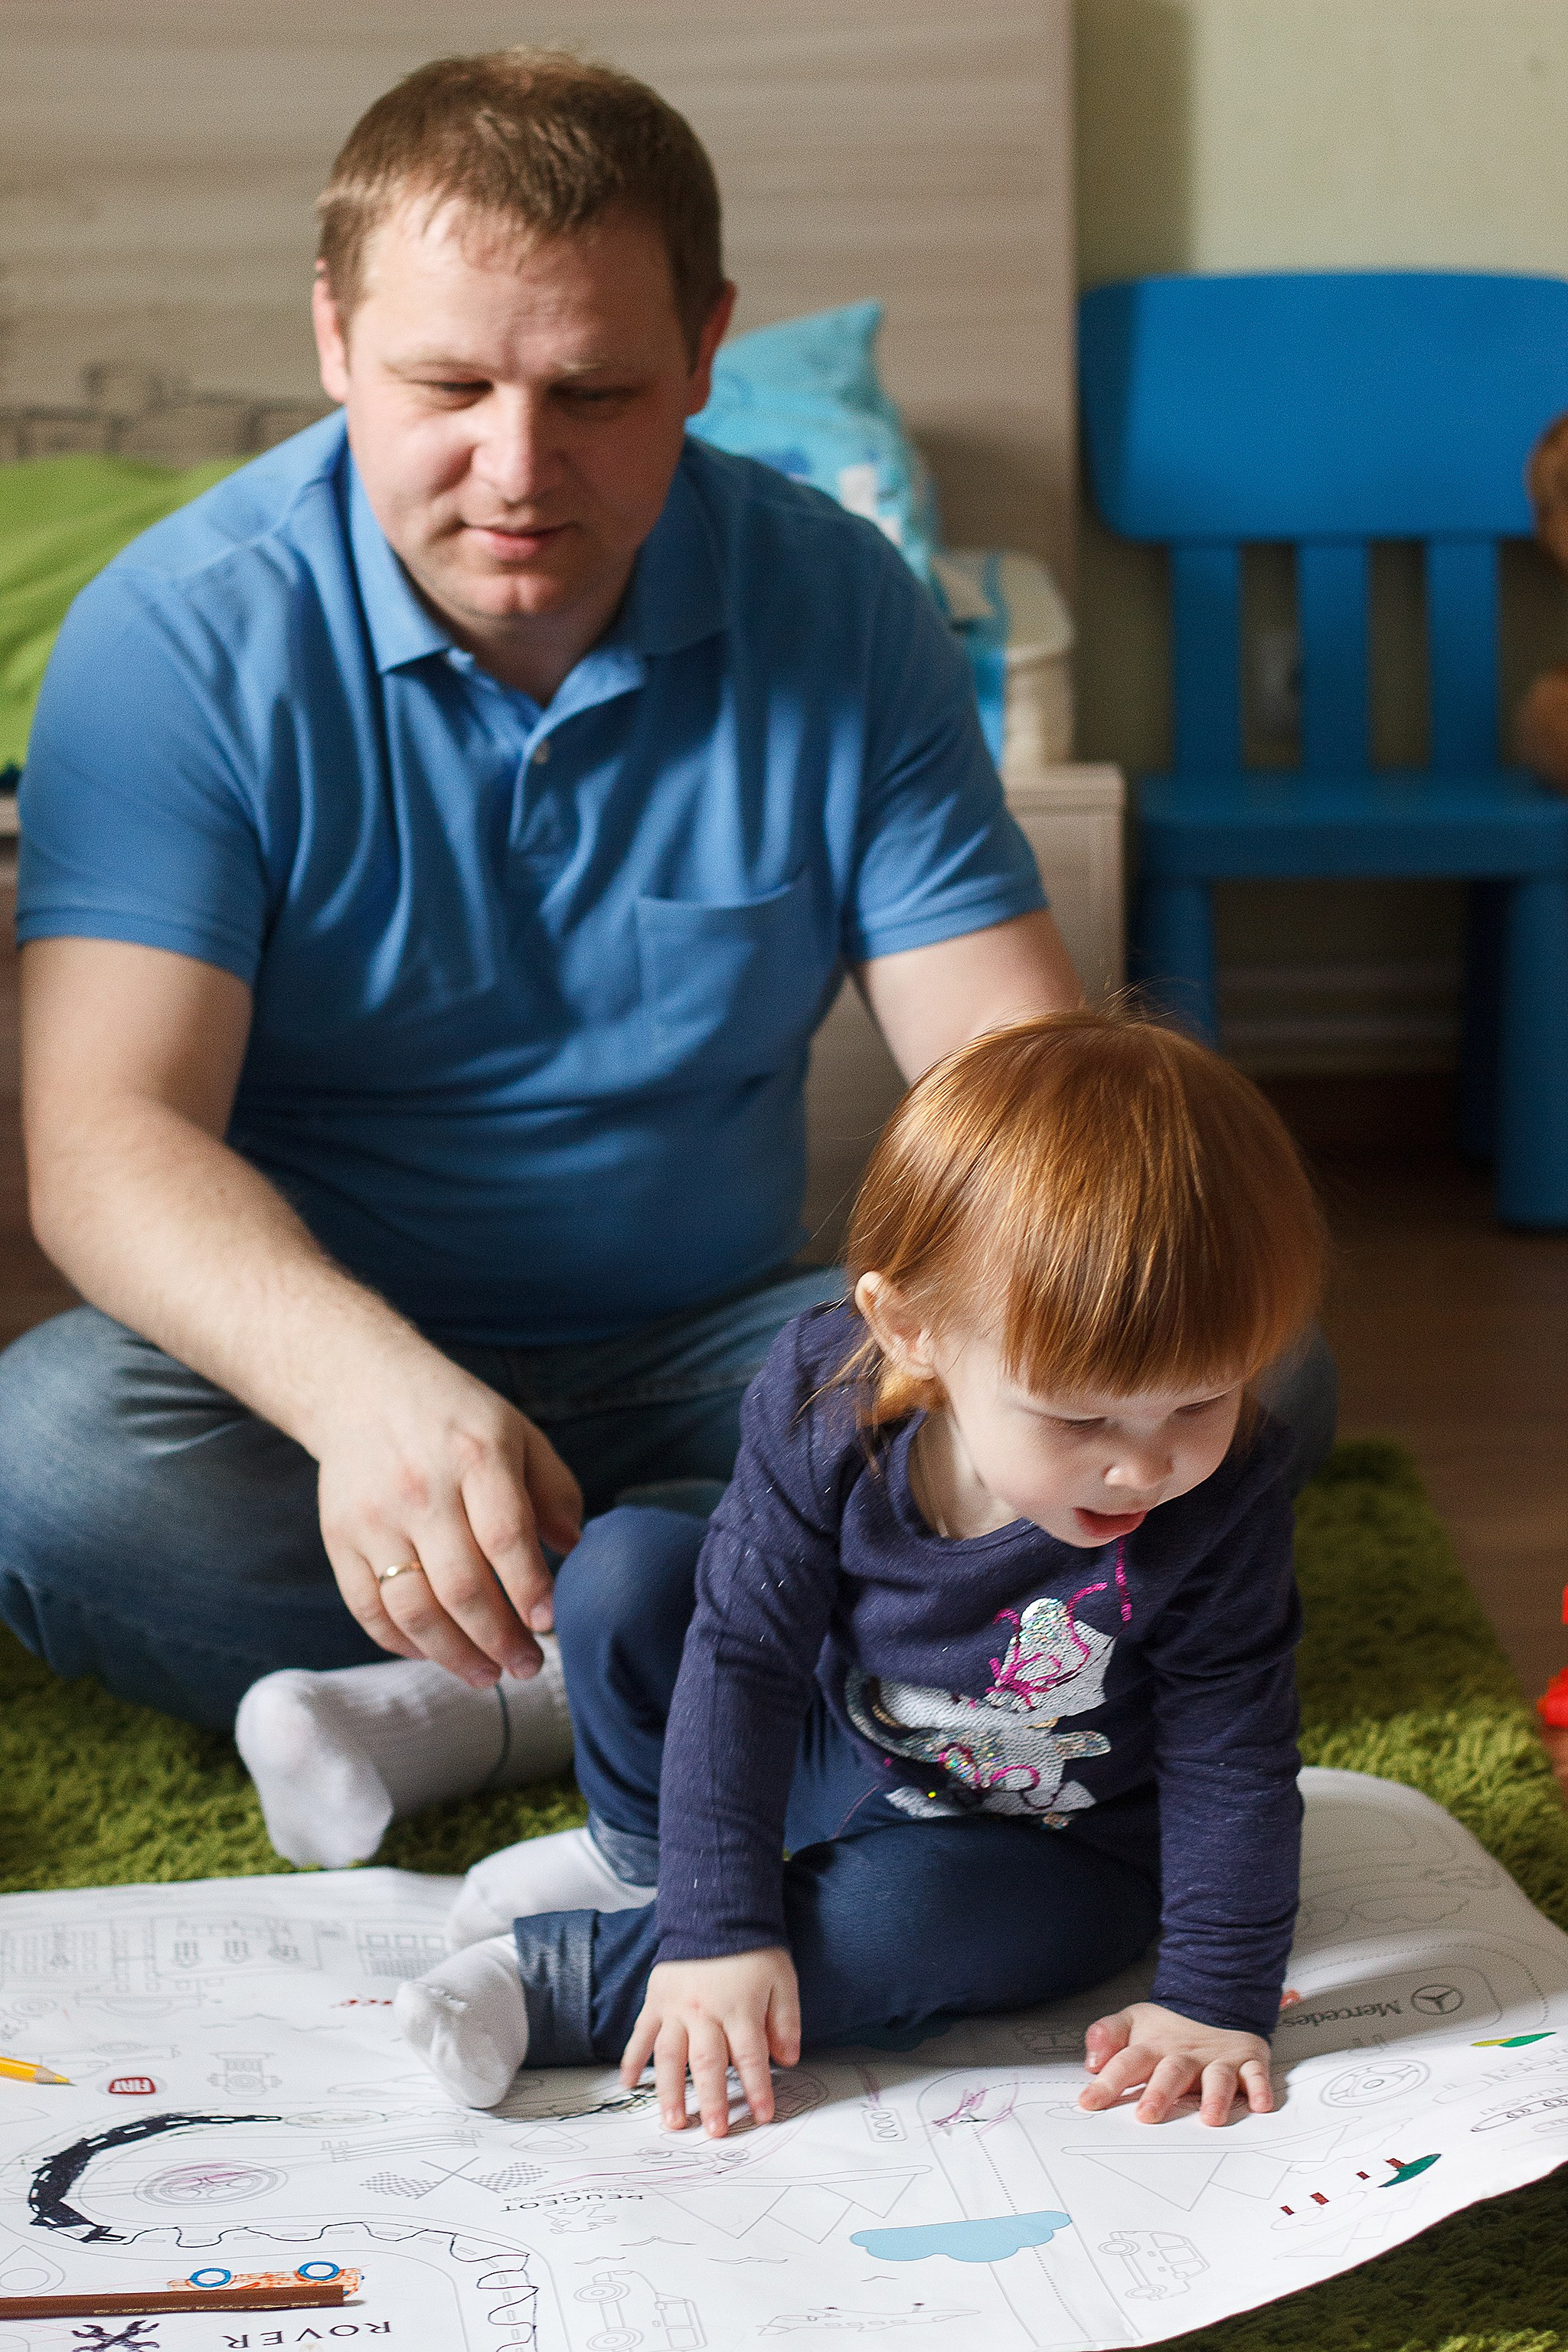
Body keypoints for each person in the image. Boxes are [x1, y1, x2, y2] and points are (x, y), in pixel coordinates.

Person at [0, 50, 1331, 1865]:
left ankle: (540, 1683)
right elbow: (103, 1137)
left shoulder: (840, 600)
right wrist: (367, 1397)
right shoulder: (171, 641)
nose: (515, 471)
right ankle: (801, 1645)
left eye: (596, 394)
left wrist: (1088, 1272)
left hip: (744, 1356)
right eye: (445, 386)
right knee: (54, 1462)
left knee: (1236, 1347)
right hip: (330, 1370)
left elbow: (1013, 1076)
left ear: (708, 352)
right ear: (332, 339)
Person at [394, 1010, 1323, 2132]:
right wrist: (714, 1921)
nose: (1144, 1464)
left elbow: (1235, 1749)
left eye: (1200, 1401)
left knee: (905, 1916)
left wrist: (1214, 2000)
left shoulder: (1219, 1496)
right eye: (1078, 1417)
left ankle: (566, 1984)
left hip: (1052, 1852)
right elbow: (743, 1659)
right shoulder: (825, 1397)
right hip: (848, 1743)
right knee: (626, 1570)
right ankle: (643, 1862)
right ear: (912, 1328)